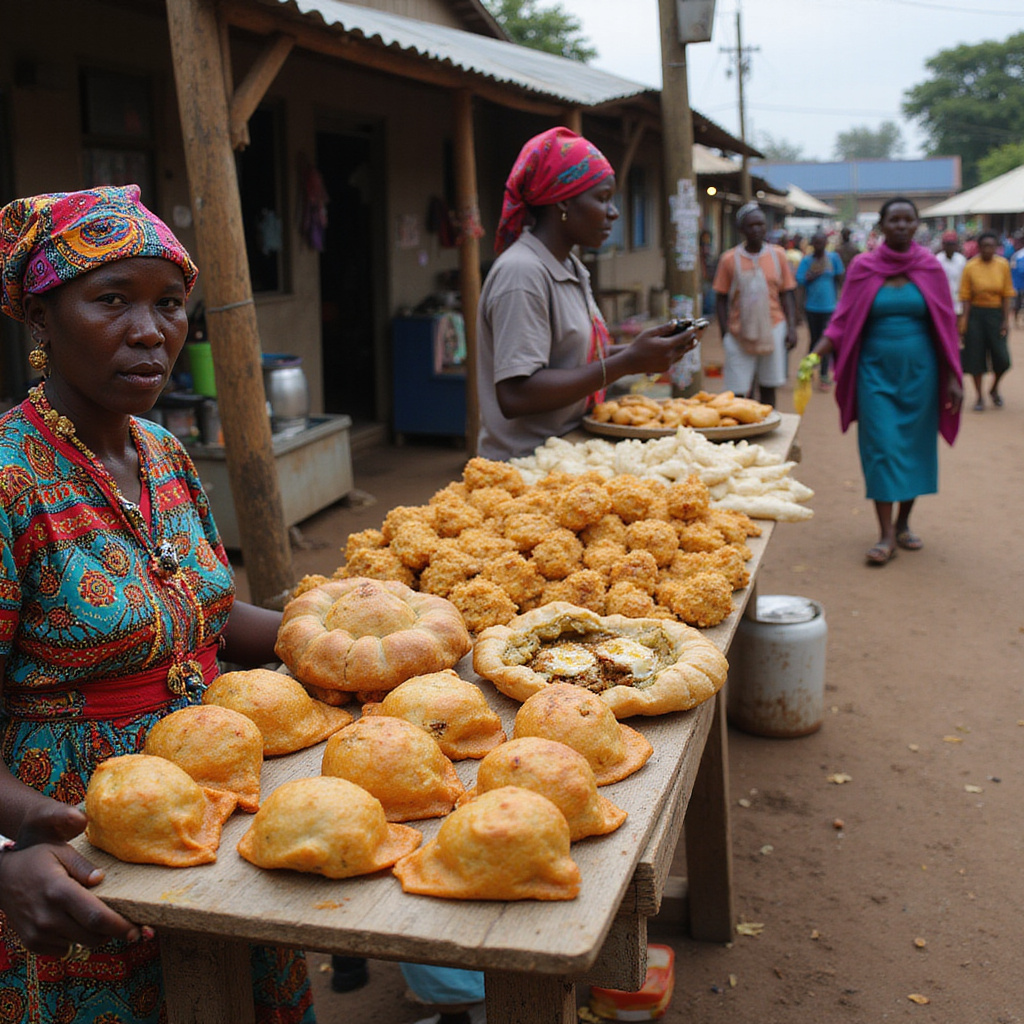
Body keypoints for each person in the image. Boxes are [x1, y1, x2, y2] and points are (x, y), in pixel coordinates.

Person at [0, 186, 315, 1024]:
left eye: (170, 305)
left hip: (223, 799)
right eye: (113, 301)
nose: (152, 331)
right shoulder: (7, 479)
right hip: (86, 844)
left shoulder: (162, 450)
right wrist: (19, 839)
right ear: (41, 316)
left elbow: (205, 617)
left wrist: (336, 639)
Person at [476, 126, 699, 461]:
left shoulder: (570, 266)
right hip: (523, 469)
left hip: (567, 453)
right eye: (603, 199)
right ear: (564, 198)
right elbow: (516, 395)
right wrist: (627, 362)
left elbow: (573, 357)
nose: (614, 212)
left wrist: (644, 350)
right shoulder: (522, 273)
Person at [809, 197, 963, 566]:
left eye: (907, 220)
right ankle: (885, 534)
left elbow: (944, 325)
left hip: (921, 377)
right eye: (893, 219)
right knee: (881, 449)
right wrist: (816, 353)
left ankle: (905, 523)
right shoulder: (864, 267)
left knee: (913, 450)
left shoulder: (930, 267)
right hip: (874, 375)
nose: (900, 225)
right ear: (880, 225)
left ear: (915, 226)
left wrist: (953, 377)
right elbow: (842, 321)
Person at [712, 203, 798, 408]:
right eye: (751, 225)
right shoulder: (729, 259)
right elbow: (721, 298)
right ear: (741, 229)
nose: (757, 230)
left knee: (768, 387)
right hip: (738, 333)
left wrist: (791, 328)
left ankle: (769, 428)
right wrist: (725, 333)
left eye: (760, 224)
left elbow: (787, 294)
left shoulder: (778, 256)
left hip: (773, 328)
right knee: (738, 392)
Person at [958, 229, 1016, 411]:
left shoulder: (1003, 265)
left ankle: (994, 388)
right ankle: (979, 397)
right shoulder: (970, 267)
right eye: (984, 246)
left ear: (996, 247)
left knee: (1002, 359)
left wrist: (1005, 320)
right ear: (979, 248)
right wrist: (964, 322)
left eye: (991, 246)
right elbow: (966, 297)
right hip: (975, 314)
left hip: (996, 314)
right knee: (975, 357)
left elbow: (1007, 294)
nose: (987, 249)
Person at [795, 231, 845, 389]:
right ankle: (809, 369)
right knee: (814, 339)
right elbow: (800, 280)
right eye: (816, 243)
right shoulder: (807, 261)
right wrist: (813, 276)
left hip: (830, 307)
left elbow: (840, 279)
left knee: (827, 340)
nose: (819, 246)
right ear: (812, 244)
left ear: (826, 243)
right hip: (812, 308)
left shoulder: (833, 259)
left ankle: (824, 375)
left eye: (822, 242)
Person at [935, 230, 967, 316]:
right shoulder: (937, 260)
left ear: (956, 245)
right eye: (947, 244)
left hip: (958, 302)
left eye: (952, 244)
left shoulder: (961, 260)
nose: (950, 247)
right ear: (943, 245)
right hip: (941, 301)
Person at [1010, 233, 1024, 327]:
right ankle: (1016, 320)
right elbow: (1012, 269)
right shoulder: (1017, 255)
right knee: (1017, 303)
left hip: (1018, 284)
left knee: (1018, 303)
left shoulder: (1017, 255)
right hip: (1019, 284)